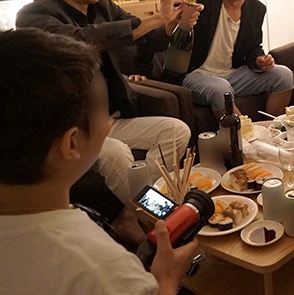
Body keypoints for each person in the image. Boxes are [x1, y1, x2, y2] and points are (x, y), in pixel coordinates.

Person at [0, 28, 198, 295]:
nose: (107, 125)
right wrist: (167, 280)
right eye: (103, 112)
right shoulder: (104, 270)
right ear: (71, 143)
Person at [16, 0, 192, 205]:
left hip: (112, 118)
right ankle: (154, 213)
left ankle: (141, 205)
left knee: (176, 131)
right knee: (116, 153)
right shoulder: (34, 15)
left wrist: (173, 23)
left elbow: (148, 38)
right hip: (73, 129)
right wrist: (157, 18)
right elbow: (83, 40)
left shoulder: (103, 5)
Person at [182, 0, 294, 118]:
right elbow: (173, 26)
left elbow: (254, 48)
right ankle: (245, 133)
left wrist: (259, 60)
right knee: (222, 89)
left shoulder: (256, 9)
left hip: (232, 74)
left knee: (283, 75)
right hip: (195, 75)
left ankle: (273, 128)